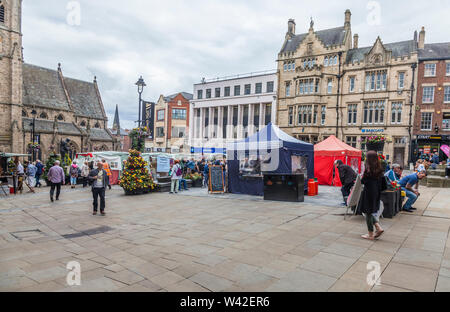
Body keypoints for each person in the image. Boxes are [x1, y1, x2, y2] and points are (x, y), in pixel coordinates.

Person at [360, 151, 388, 240]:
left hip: (368, 194)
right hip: (376, 194)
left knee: (367, 212)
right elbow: (384, 185)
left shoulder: (368, 170)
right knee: (369, 212)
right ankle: (378, 228)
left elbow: (363, 181)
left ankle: (370, 234)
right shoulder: (380, 170)